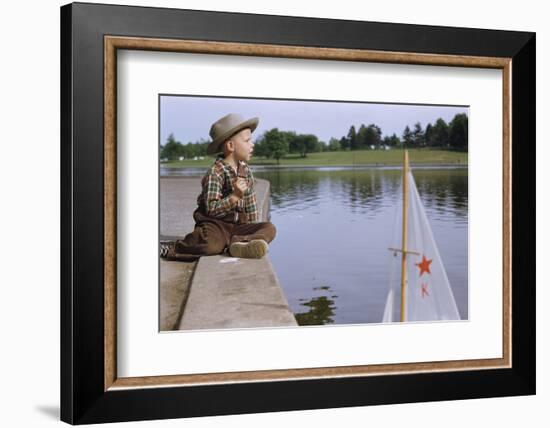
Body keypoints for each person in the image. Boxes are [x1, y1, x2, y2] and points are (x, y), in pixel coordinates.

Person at [160, 113, 276, 261]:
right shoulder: (215, 173)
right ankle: (175, 247)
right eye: (247, 141)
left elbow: (251, 203)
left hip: (238, 226)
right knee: (211, 245)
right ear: (230, 146)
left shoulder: (245, 171)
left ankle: (241, 244)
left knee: (269, 227)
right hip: (216, 225)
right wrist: (234, 197)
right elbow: (211, 209)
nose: (252, 144)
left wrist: (252, 229)